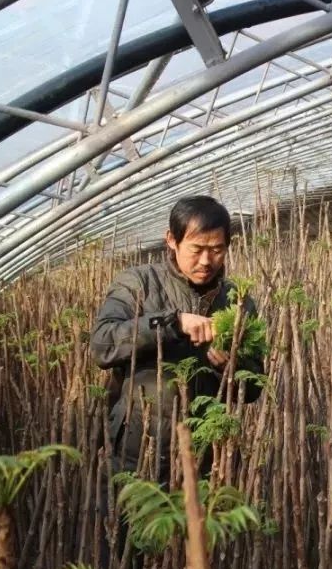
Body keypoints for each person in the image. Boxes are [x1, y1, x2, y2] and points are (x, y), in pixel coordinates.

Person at [90, 195, 264, 478]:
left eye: (217, 250)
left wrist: (230, 367)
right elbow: (102, 344)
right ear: (171, 240)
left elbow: (254, 387)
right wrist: (172, 323)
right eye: (197, 249)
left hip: (208, 455)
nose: (207, 261)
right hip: (137, 450)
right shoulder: (139, 284)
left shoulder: (238, 301)